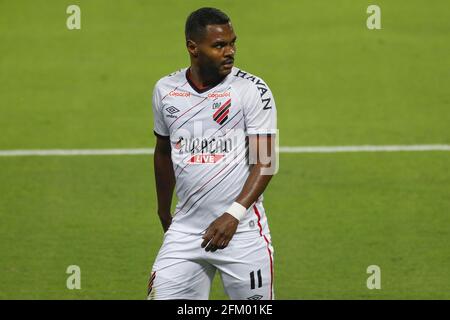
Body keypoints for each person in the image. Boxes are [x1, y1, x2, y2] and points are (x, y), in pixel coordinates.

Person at [148, 7, 277, 300]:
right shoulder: (166, 90)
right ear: (193, 47)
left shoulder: (252, 90)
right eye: (219, 45)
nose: (229, 51)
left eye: (232, 43)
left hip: (243, 232)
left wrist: (233, 215)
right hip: (186, 230)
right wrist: (163, 209)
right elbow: (163, 152)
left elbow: (266, 161)